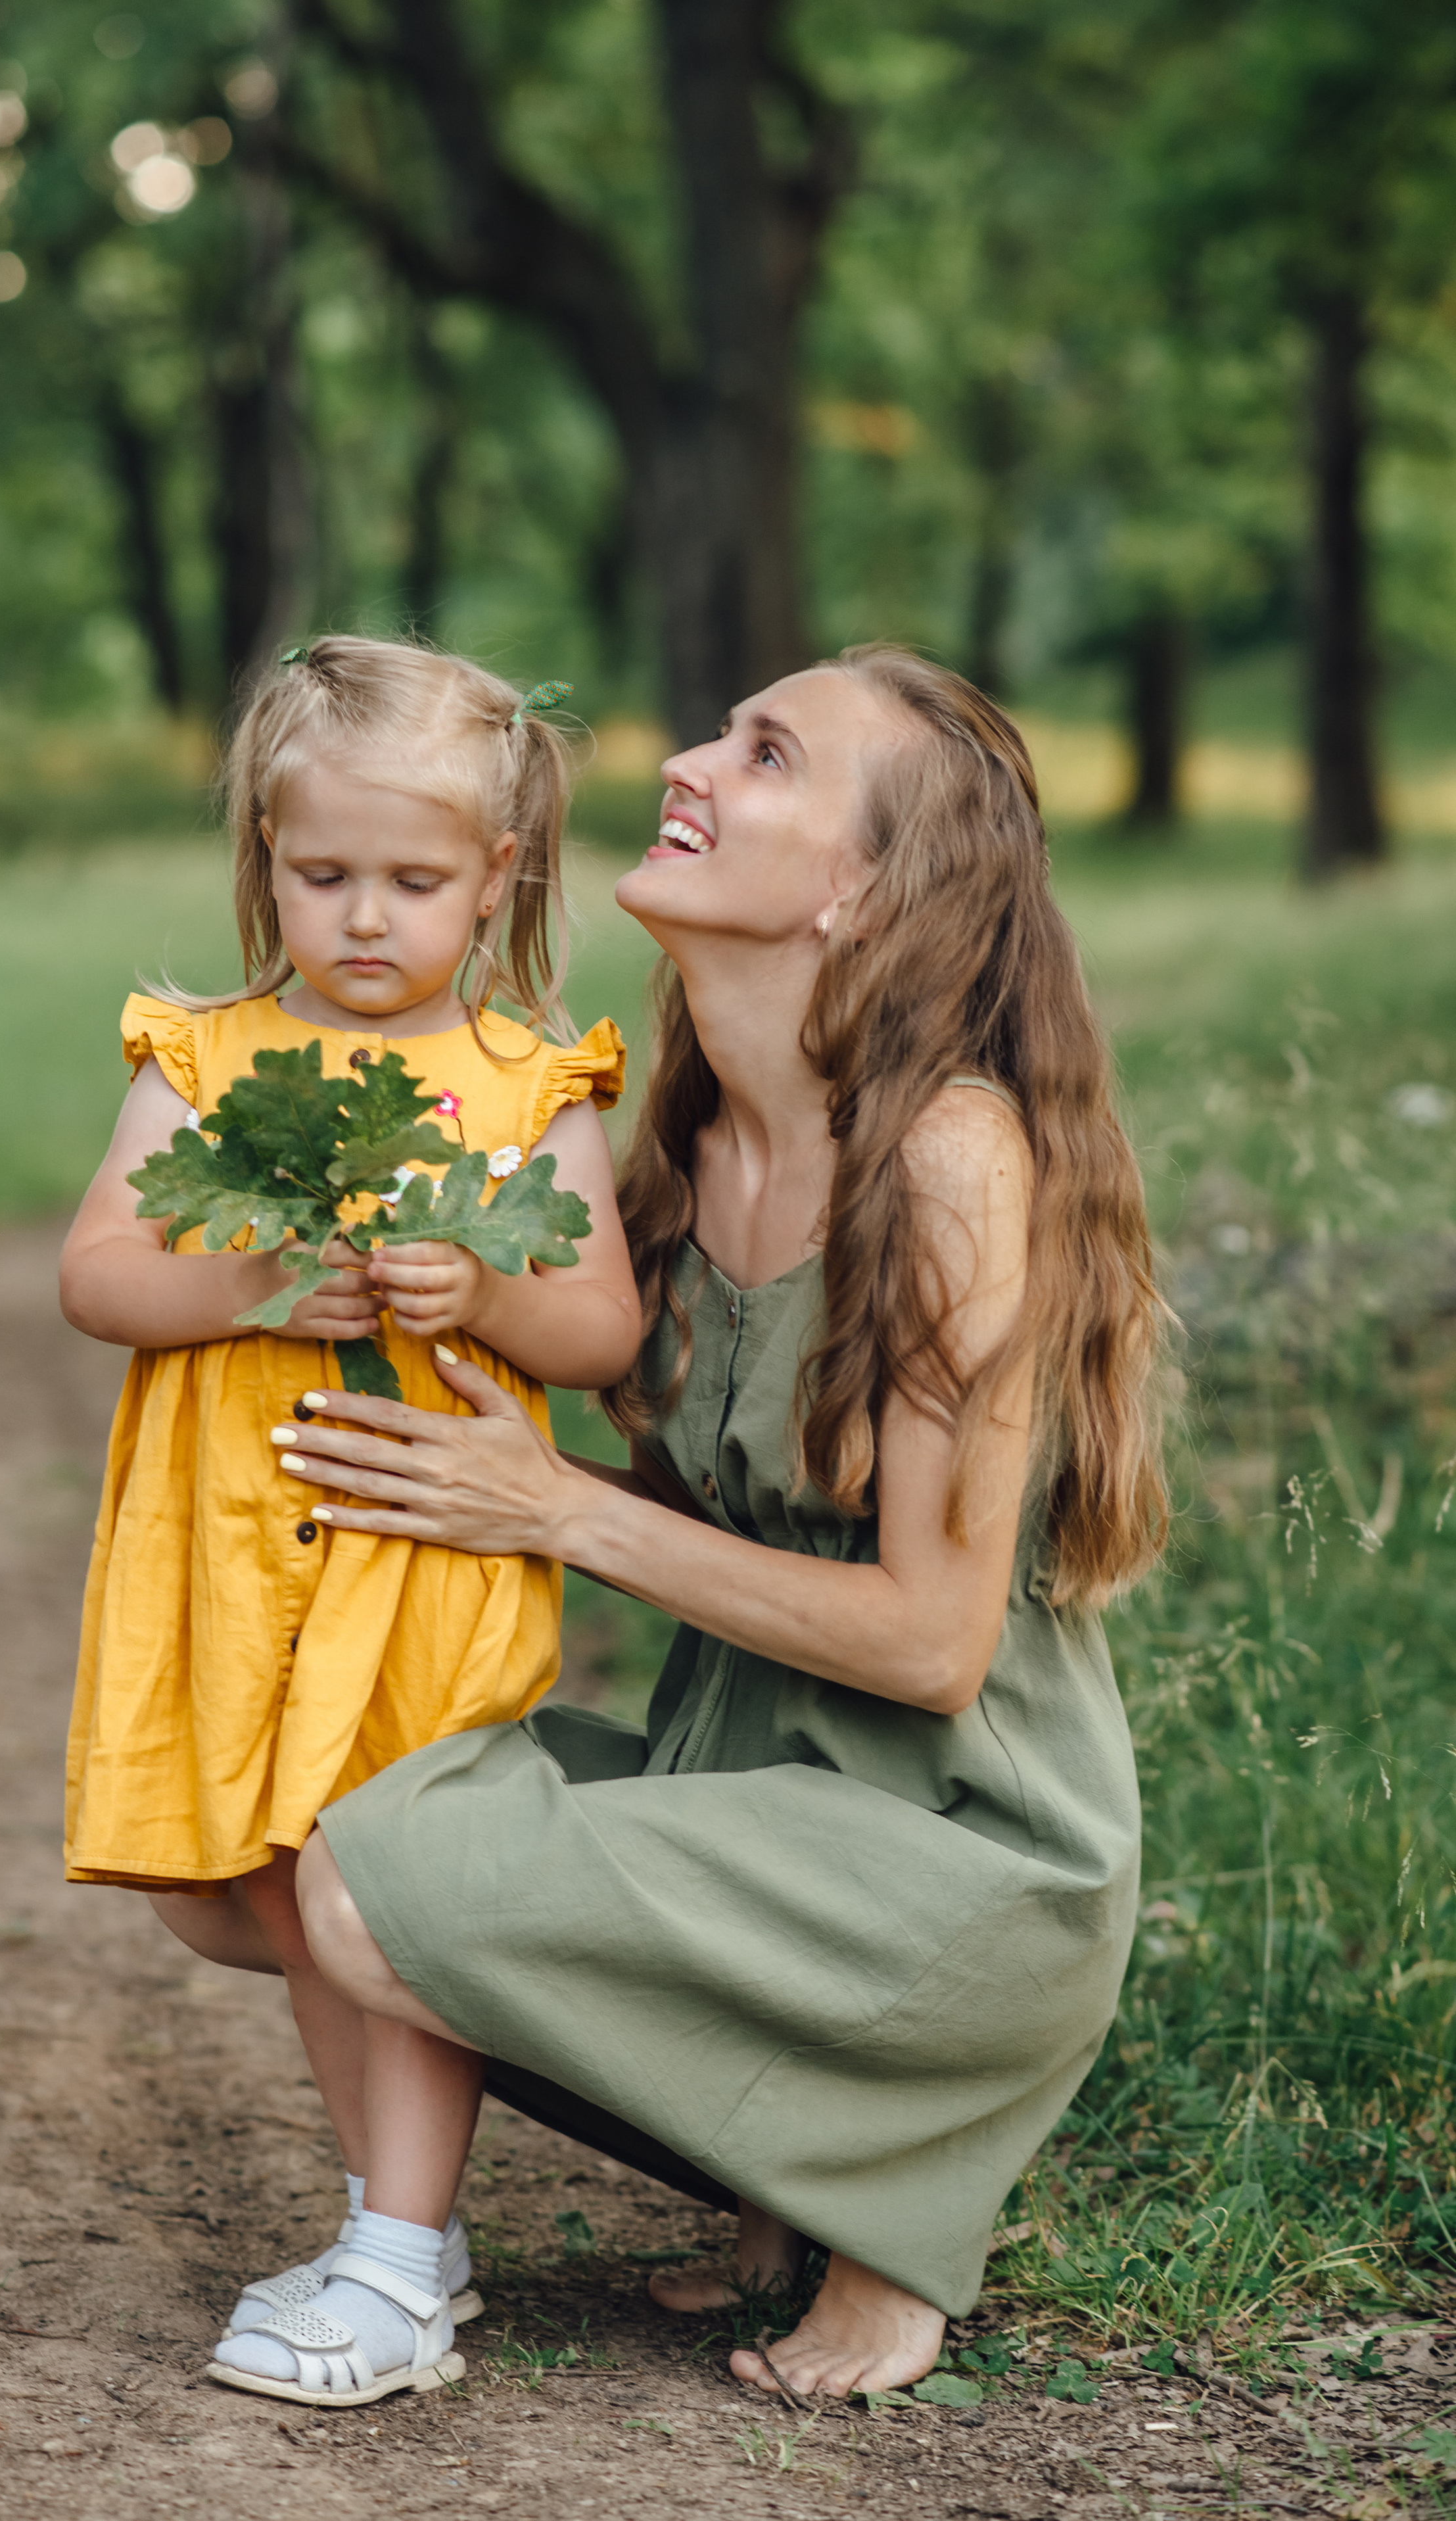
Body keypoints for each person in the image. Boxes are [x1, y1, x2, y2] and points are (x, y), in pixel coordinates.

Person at [241, 644, 1168, 2405]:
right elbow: (673, 1448)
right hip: (752, 1795)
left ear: (861, 883)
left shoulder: (955, 1159)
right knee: (262, 1865)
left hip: (963, 1857)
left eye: (764, 755)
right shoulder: (693, 1127)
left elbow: (930, 1639)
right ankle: (791, 2165)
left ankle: (891, 2202)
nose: (686, 759)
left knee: (372, 1891)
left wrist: (556, 1510)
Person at [59, 636, 639, 2407]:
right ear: (264, 859)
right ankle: (405, 2223)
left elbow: (600, 1331)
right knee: (259, 1884)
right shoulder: (209, 1055)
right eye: (324, 877)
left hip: (424, 1557)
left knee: (379, 1875)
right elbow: (96, 1274)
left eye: (414, 880)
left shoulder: (529, 1084)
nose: (366, 918)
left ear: (497, 879)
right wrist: (242, 1279)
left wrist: (477, 1285)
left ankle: (395, 2255)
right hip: (236, 1547)